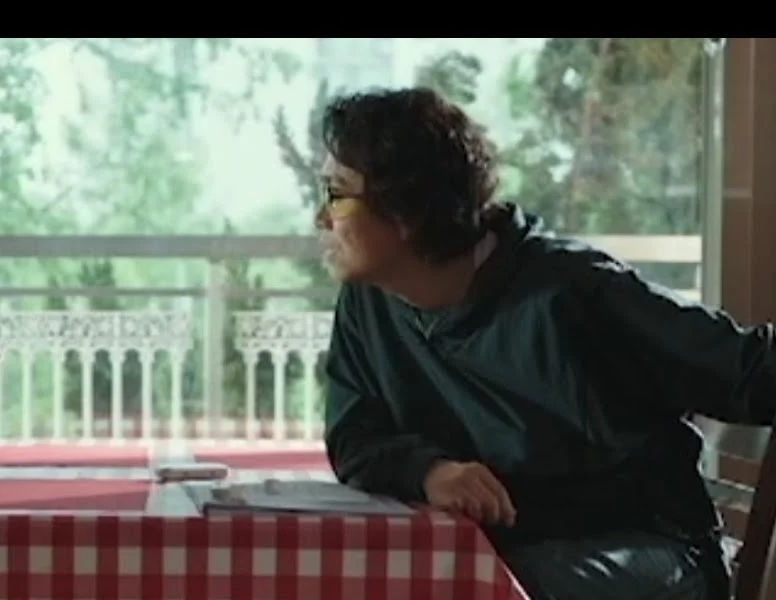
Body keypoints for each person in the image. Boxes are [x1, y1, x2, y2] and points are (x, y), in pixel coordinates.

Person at [316, 87, 770, 600]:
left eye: (336, 194)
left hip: (651, 547)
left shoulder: (573, 292)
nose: (320, 219)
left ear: (407, 209)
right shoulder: (370, 302)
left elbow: (750, 370)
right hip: (499, 553)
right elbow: (355, 436)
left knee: (469, 586)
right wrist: (429, 471)